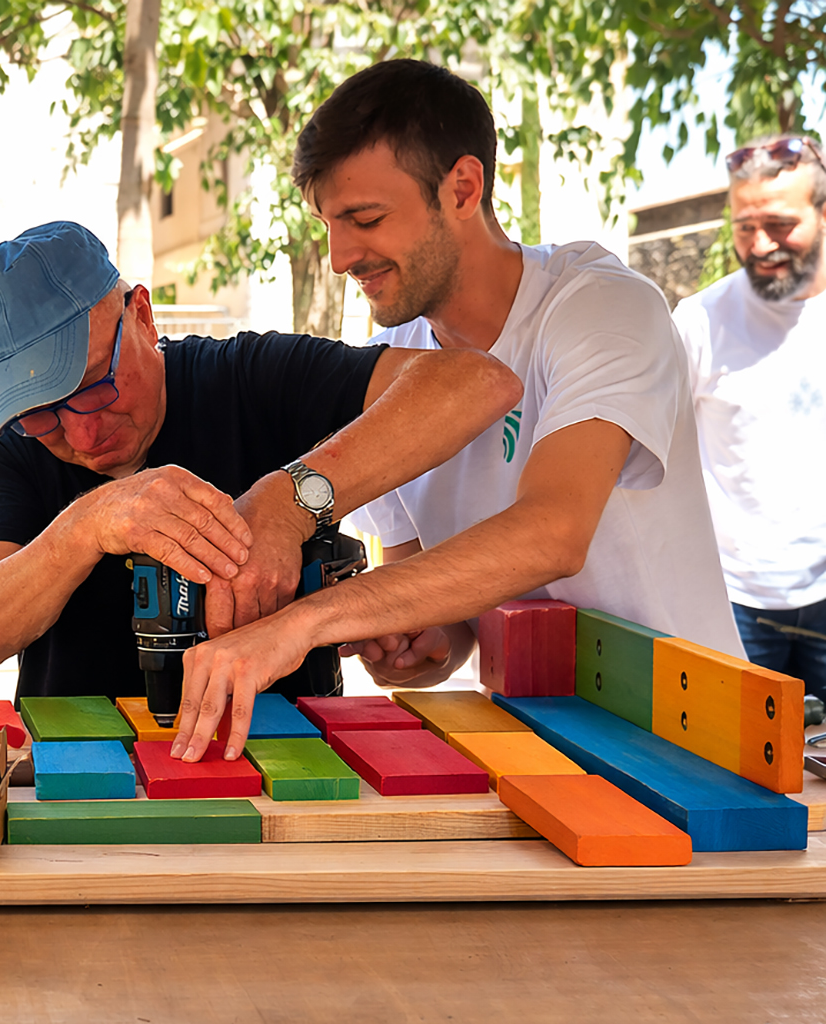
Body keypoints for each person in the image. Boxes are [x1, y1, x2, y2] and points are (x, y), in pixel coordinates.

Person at [169, 59, 742, 761]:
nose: (339, 256)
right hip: (541, 753)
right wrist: (424, 643)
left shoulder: (601, 305)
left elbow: (553, 533)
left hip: (697, 743)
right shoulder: (394, 366)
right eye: (327, 225)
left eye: (365, 218)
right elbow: (450, 615)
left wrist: (304, 623)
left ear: (463, 188)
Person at [0, 221, 523, 706]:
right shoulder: (8, 448)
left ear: (144, 317)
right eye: (40, 413)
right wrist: (88, 524)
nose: (82, 430)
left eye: (96, 386)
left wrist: (287, 503)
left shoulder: (250, 378)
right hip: (84, 781)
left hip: (290, 767)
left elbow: (477, 382)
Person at [673, 135, 826, 696]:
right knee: (736, 777)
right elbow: (659, 455)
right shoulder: (700, 321)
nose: (761, 245)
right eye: (744, 227)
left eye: (781, 225)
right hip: (733, 601)